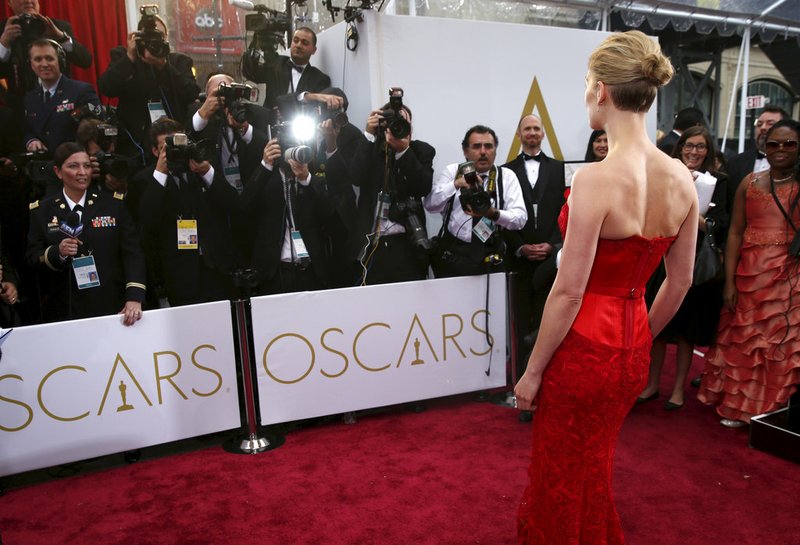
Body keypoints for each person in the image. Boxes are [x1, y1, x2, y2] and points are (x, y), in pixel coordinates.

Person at [514, 30, 696, 544]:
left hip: (581, 352)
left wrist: (531, 373)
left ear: (601, 91)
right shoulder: (682, 178)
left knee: (559, 469)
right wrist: (638, 338)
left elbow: (569, 292)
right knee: (594, 464)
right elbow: (678, 282)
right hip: (629, 354)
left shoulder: (595, 178)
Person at [698, 119, 800, 428]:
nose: (779, 150)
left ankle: (775, 408)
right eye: (773, 144)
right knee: (744, 340)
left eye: (788, 144)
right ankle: (740, 406)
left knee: (781, 344)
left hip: (789, 276)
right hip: (749, 273)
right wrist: (729, 280)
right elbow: (734, 233)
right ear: (764, 147)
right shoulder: (749, 182)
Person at [638, 126, 728, 410]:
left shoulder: (721, 182)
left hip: (695, 263)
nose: (694, 151)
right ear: (680, 148)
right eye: (689, 145)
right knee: (657, 327)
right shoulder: (667, 176)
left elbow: (720, 226)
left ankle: (677, 390)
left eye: (701, 146)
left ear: (708, 150)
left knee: (687, 331)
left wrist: (692, 209)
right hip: (662, 259)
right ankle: (651, 385)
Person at [26, 142, 145, 324]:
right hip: (64, 307)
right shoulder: (42, 211)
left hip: (111, 304)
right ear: (58, 172)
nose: (82, 172)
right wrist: (57, 252)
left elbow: (132, 253)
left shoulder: (113, 205)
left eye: (87, 166)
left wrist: (134, 296)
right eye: (74, 166)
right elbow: (32, 257)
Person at [138, 118, 241, 307]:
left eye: (180, 145)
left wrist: (206, 171)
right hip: (181, 279)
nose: (177, 151)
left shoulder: (199, 169)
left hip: (218, 270)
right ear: (155, 151)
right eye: (167, 147)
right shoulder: (146, 180)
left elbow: (233, 204)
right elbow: (147, 221)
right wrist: (161, 172)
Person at [502, 114, 566, 422]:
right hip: (519, 259)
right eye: (527, 128)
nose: (532, 133)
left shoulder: (558, 168)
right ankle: (520, 392)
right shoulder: (505, 171)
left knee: (547, 326)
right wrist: (520, 246)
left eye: (536, 129)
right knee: (520, 326)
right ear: (519, 134)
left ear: (543, 134)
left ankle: (546, 391)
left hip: (552, 262)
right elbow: (501, 216)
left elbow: (564, 212)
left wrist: (552, 246)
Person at [98, 11, 199, 166]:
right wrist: (129, 58)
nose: (153, 42)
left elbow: (191, 93)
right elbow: (107, 88)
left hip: (174, 141)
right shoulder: (123, 56)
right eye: (148, 38)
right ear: (137, 39)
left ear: (166, 39)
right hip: (135, 142)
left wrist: (163, 65)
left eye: (158, 37)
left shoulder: (179, 61)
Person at [351, 100, 435, 285]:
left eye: (404, 121)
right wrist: (368, 134)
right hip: (372, 243)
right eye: (393, 121)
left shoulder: (421, 151)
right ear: (382, 125)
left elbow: (423, 186)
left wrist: (403, 151)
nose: (399, 125)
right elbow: (355, 177)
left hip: (407, 243)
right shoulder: (370, 148)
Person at [425, 125, 526, 278]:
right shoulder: (453, 172)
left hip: (490, 253)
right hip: (454, 254)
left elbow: (520, 218)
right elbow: (430, 205)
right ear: (465, 151)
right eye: (477, 146)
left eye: (488, 146)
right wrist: (456, 184)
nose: (483, 152)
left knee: (492, 302)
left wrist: (493, 213)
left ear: (495, 150)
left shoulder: (506, 176)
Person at [240, 137, 337, 295]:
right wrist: (265, 165)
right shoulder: (266, 180)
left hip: (311, 270)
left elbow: (329, 214)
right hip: (276, 272)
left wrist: (306, 180)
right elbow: (244, 206)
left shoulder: (311, 180)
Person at [0, 0, 92, 110]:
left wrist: (62, 38)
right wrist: (3, 44)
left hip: (60, 105)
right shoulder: (3, 30)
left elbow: (85, 61)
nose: (28, 1)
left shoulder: (57, 27)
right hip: (20, 109)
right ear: (9, 3)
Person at [23, 39, 100, 153]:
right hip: (42, 165)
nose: (44, 64)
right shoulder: (30, 98)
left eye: (49, 58)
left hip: (75, 164)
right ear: (31, 64)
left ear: (60, 61)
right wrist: (31, 141)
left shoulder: (82, 91)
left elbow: (95, 132)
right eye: (38, 59)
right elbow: (27, 130)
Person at [243, 27, 332, 111]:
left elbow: (317, 108)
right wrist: (256, 43)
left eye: (304, 43)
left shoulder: (320, 79)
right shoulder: (276, 63)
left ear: (314, 50)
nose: (298, 45)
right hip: (270, 123)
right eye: (295, 40)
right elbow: (251, 72)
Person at [724, 105, 790, 214]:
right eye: (759, 124)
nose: (763, 127)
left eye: (770, 124)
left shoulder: (794, 163)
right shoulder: (735, 163)